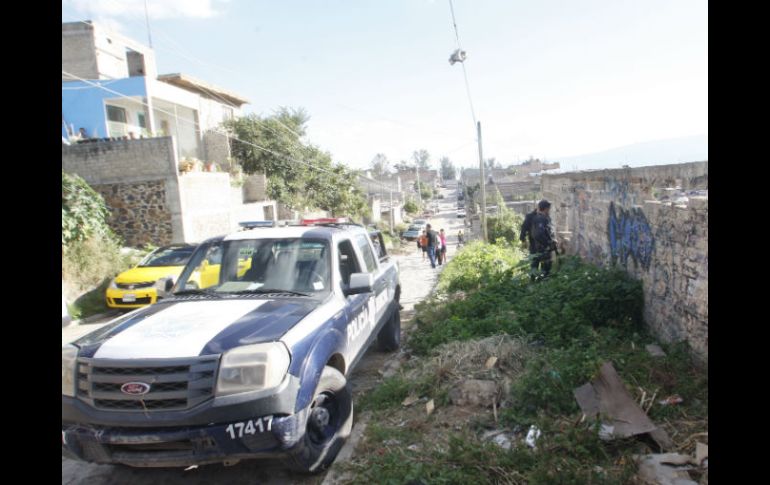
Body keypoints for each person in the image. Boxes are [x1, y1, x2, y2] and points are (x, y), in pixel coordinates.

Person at [530, 200, 559, 281]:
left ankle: (533, 285)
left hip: (536, 247)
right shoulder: (541, 219)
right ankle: (541, 285)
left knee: (535, 267)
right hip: (542, 249)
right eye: (549, 209)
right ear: (546, 209)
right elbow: (538, 234)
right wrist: (548, 243)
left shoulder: (538, 217)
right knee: (545, 269)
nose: (549, 211)